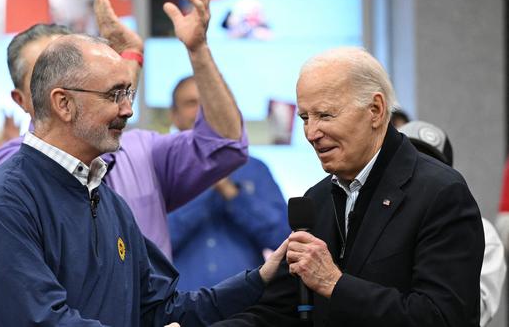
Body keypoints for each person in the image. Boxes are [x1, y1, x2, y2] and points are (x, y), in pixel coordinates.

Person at [0, 31, 288, 326]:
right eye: (114, 94)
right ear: (63, 104)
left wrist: (258, 279)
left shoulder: (108, 202)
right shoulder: (1, 203)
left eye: (128, 94)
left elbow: (159, 310)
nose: (127, 109)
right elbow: (39, 321)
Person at [212, 46, 484, 327]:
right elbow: (276, 313)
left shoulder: (440, 193)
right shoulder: (316, 200)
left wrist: (335, 284)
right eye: (305, 118)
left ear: (375, 110)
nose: (311, 133)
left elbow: (443, 318)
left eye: (326, 115)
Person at [0, 0, 247, 259]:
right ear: (22, 100)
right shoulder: (11, 165)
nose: (63, 84)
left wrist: (198, 50)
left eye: (72, 67)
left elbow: (224, 145)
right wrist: (127, 68)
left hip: (153, 306)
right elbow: (70, 159)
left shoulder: (143, 150)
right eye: (45, 75)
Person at [168, 76, 290, 290]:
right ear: (174, 116)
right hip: (179, 313)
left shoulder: (255, 169)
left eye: (209, 101)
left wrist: (232, 193)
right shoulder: (157, 171)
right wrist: (206, 184)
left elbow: (284, 239)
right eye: (191, 103)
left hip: (246, 310)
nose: (202, 111)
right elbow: (148, 245)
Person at [398, 120, 506, 327]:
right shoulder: (363, 214)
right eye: (410, 159)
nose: (419, 171)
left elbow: (468, 314)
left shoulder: (482, 231)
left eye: (430, 162)